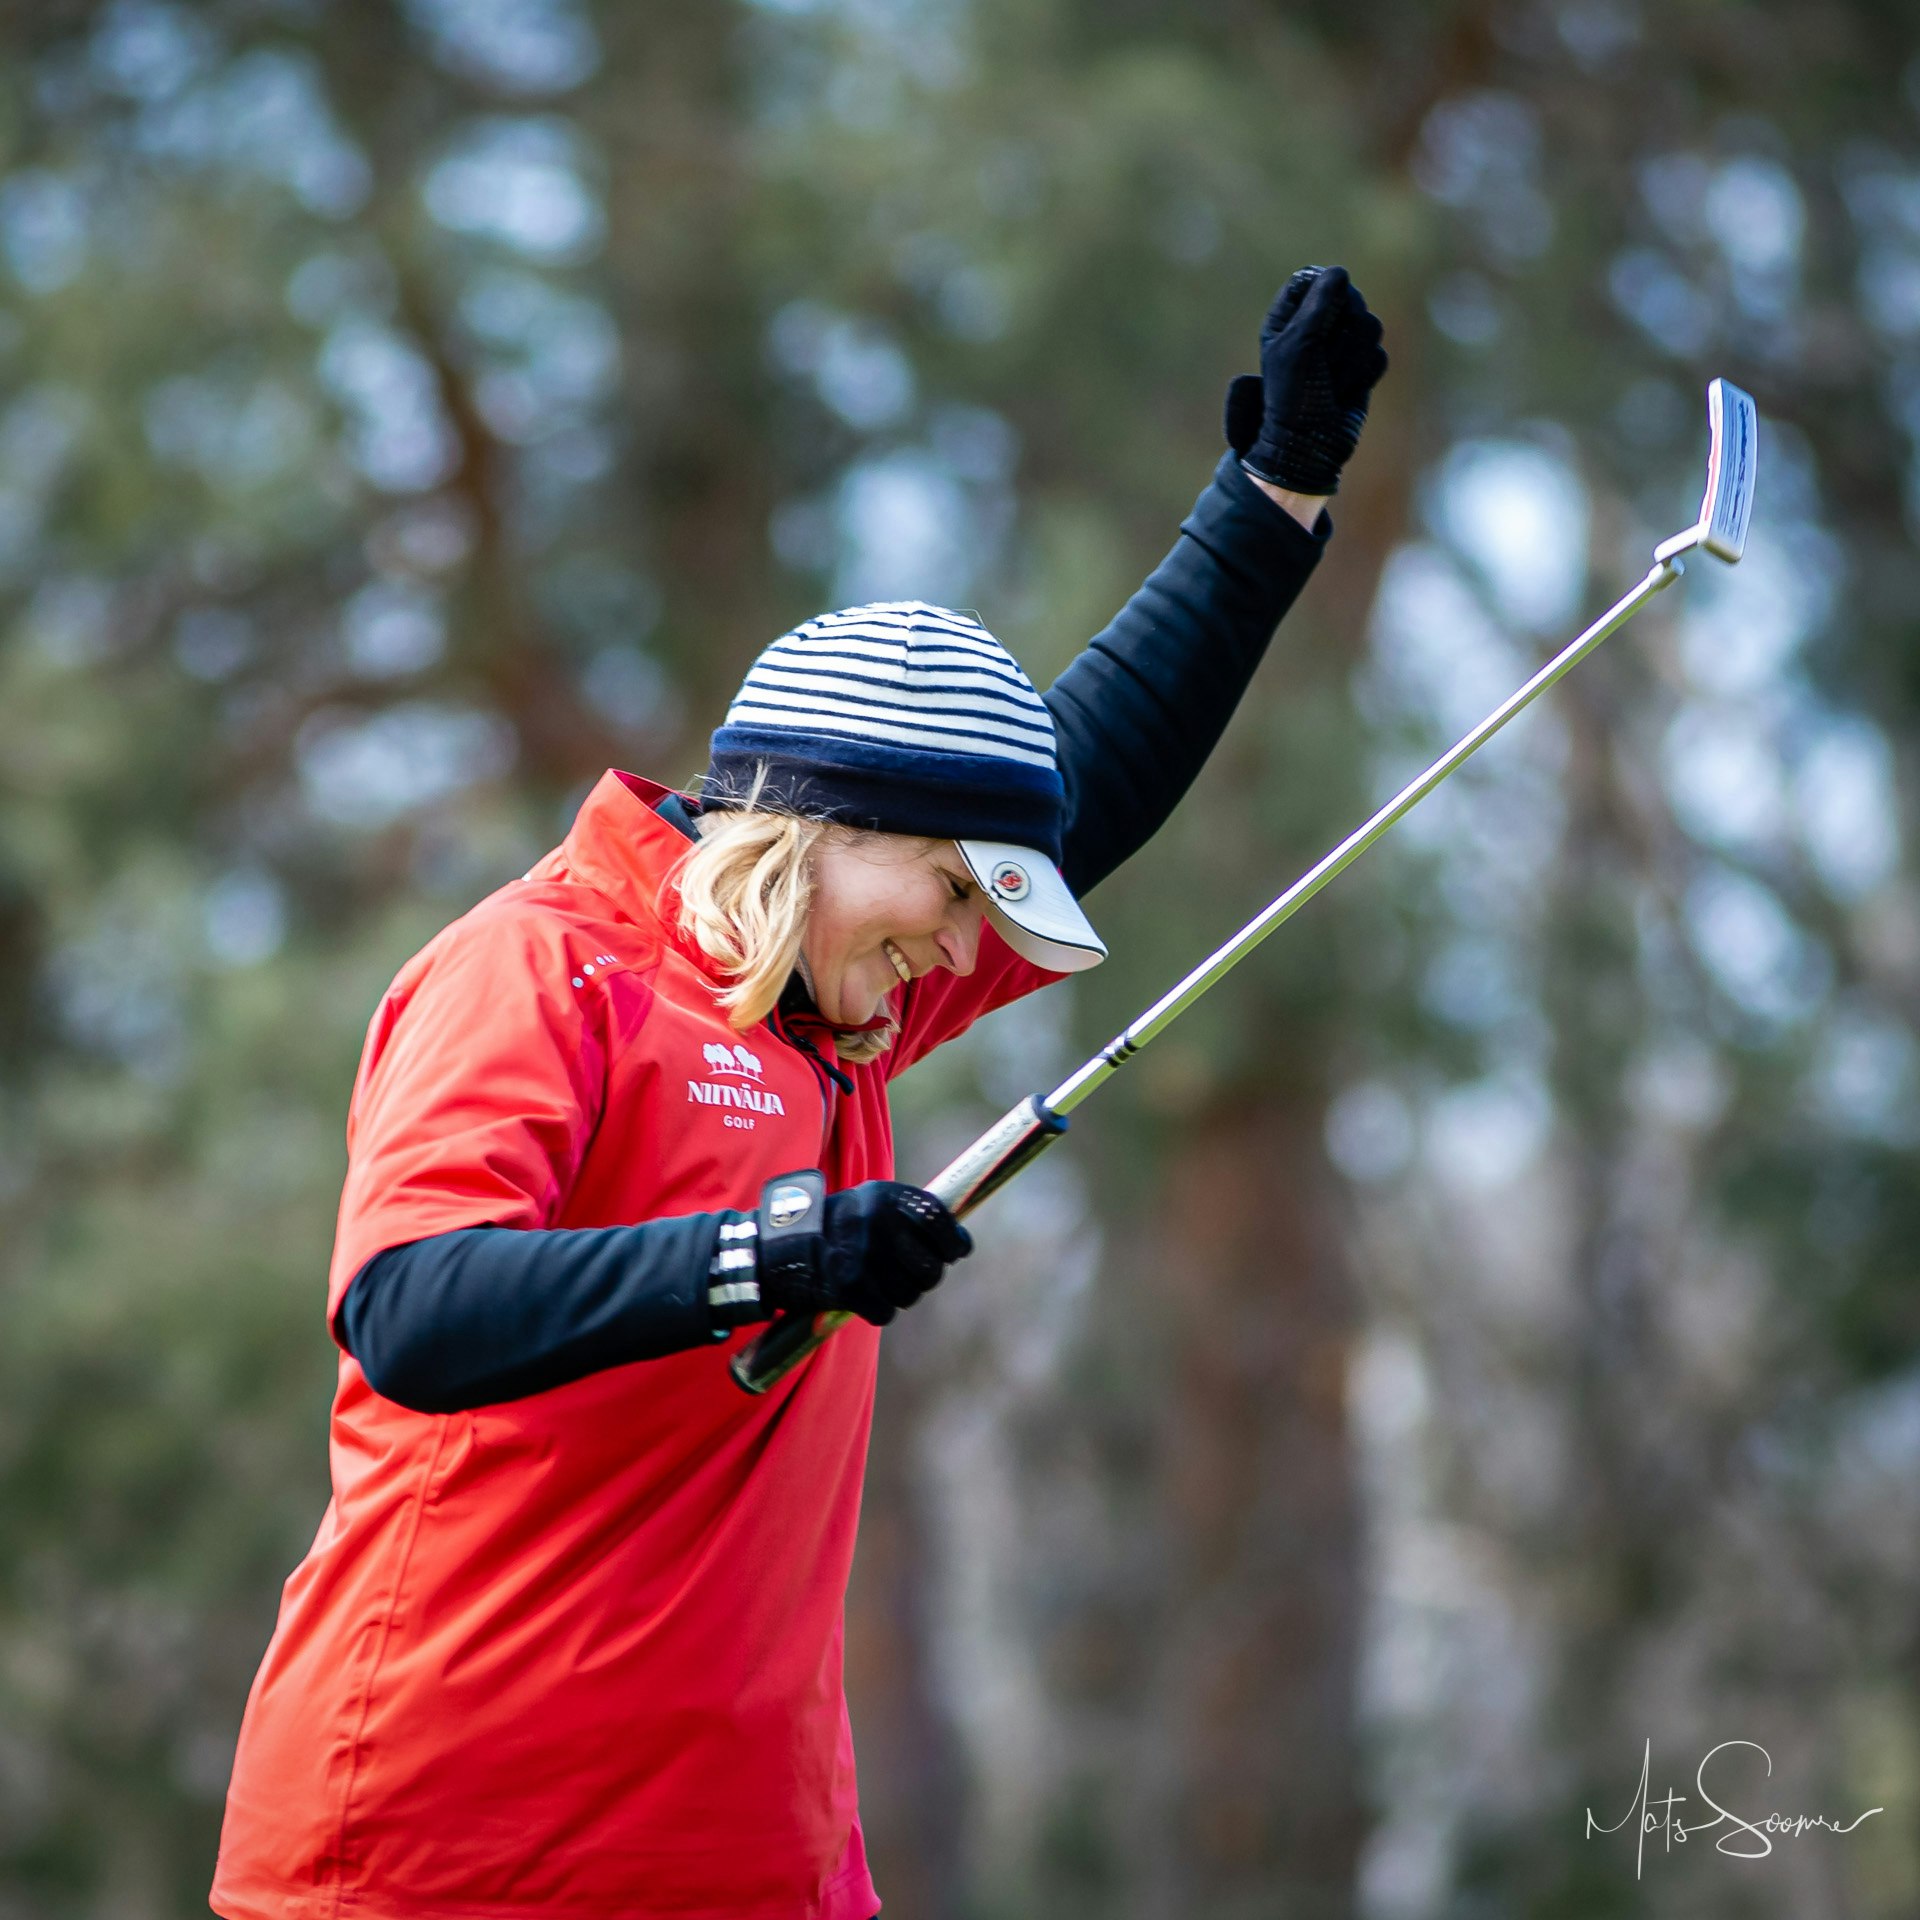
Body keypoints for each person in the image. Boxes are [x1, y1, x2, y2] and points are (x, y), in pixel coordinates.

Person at [209, 265, 1387, 1920]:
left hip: (754, 1851)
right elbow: (412, 1307)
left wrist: (1274, 493)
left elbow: (1089, 779)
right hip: (443, 1850)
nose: (965, 950)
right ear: (822, 831)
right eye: (954, 892)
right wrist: (779, 1254)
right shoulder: (539, 969)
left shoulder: (837, 1003)